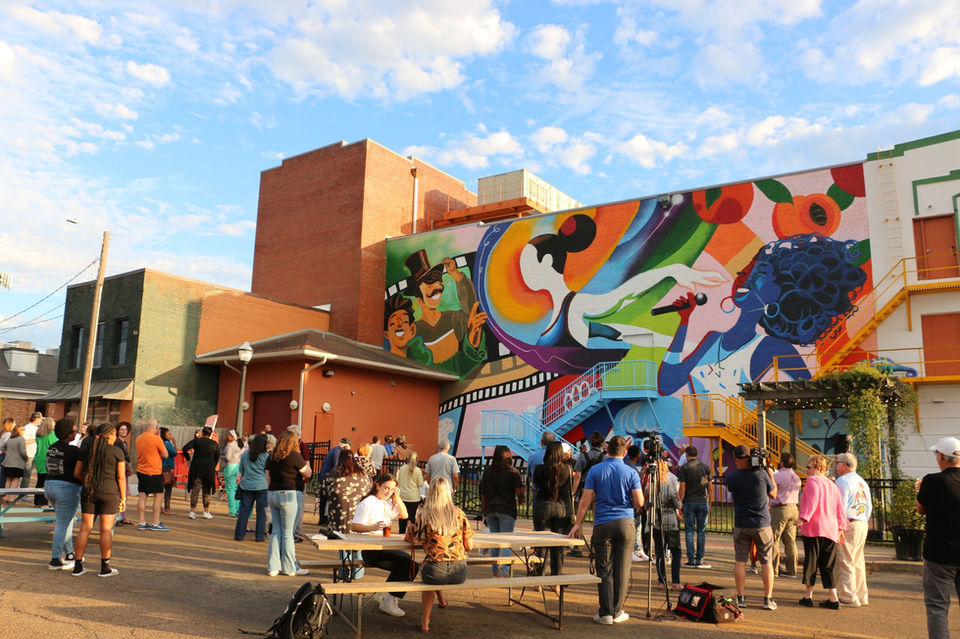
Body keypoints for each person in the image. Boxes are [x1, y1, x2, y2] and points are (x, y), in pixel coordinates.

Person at [658, 235, 867, 397]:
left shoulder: (774, 347)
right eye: (746, 273)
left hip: (745, 437)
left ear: (777, 294)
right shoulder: (713, 339)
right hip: (702, 438)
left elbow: (812, 390)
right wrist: (684, 321)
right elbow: (667, 385)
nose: (745, 280)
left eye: (757, 277)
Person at [569, 435, 643, 625]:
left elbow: (585, 499)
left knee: (603, 568)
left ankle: (606, 613)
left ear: (607, 450)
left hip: (602, 522)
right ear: (624, 453)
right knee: (622, 568)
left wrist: (577, 523)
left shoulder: (596, 470)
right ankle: (618, 611)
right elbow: (639, 501)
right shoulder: (631, 472)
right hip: (625, 522)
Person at [405, 477, 474, 633]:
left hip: (435, 571)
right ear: (448, 493)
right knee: (432, 565)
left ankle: (425, 621)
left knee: (429, 570)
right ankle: (442, 600)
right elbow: (469, 546)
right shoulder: (459, 514)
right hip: (459, 572)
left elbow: (426, 548)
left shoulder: (424, 515)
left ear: (431, 493)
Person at [351, 473, 416, 617]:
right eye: (386, 488)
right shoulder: (369, 502)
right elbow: (354, 526)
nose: (388, 492)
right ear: (378, 485)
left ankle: (387, 595)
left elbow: (404, 515)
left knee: (409, 564)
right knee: (410, 565)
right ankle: (388, 600)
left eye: (392, 489)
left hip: (384, 546)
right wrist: (372, 527)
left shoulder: (386, 502)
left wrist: (397, 496)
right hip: (371, 550)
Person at [916, 436, 960, 639]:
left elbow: (920, 510)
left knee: (937, 607)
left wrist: (919, 490)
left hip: (940, 554)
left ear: (942, 456)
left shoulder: (933, 481)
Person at [725, 445, 778, 610]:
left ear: (735, 458)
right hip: (762, 524)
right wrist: (769, 473)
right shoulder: (762, 474)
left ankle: (741, 598)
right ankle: (768, 599)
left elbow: (732, 488)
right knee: (766, 562)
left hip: (741, 524)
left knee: (740, 561)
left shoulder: (731, 477)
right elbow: (773, 494)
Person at [72, 423, 125, 577]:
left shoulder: (87, 450)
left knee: (85, 528)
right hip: (109, 492)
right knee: (106, 530)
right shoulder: (116, 451)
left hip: (89, 491)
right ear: (110, 435)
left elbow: (77, 473)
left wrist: (89, 481)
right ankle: (104, 567)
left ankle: (78, 566)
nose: (115, 438)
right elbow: (121, 477)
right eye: (114, 434)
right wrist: (123, 497)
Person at [797, 454, 846, 609]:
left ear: (817, 468)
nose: (806, 470)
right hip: (830, 528)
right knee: (828, 564)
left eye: (809, 467)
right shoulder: (832, 485)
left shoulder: (812, 481)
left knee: (811, 562)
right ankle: (833, 597)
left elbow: (813, 501)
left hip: (814, 527)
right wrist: (840, 527)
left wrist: (803, 518)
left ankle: (808, 596)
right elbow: (840, 508)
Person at [265, 430, 311, 576]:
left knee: (276, 531)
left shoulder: (272, 456)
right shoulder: (294, 455)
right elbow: (307, 473)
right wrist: (307, 464)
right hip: (289, 494)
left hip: (273, 493)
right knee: (288, 533)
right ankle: (290, 567)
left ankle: (273, 567)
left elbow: (267, 477)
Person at [834, 452, 872, 607]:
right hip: (861, 521)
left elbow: (840, 506)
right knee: (857, 561)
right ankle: (861, 595)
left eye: (837, 463)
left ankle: (847, 596)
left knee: (845, 560)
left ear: (844, 465)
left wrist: (839, 527)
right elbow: (869, 506)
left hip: (849, 523)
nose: (836, 466)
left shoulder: (842, 481)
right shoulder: (862, 481)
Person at [43, 417, 81, 570]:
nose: (76, 433)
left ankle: (69, 553)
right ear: (68, 434)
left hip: (49, 485)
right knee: (62, 524)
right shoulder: (73, 450)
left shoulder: (52, 447)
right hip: (66, 488)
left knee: (66, 521)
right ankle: (55, 559)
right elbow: (80, 469)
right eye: (74, 431)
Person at [531, 441, 572, 578]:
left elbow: (536, 486)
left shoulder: (539, 469)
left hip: (543, 507)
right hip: (561, 508)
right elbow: (569, 490)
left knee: (541, 546)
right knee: (558, 547)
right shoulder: (567, 469)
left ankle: (538, 579)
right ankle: (557, 581)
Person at [481, 445, 522, 577]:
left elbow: (483, 494)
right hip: (507, 509)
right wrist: (521, 499)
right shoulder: (513, 472)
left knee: (495, 541)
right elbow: (519, 492)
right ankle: (504, 571)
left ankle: (495, 571)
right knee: (506, 542)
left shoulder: (488, 471)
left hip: (491, 508)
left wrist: (483, 512)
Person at [647, 458, 682, 589]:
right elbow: (679, 505)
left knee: (660, 553)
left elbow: (646, 505)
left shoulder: (649, 488)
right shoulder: (670, 489)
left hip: (657, 522)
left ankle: (661, 581)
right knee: (676, 552)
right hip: (671, 523)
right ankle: (676, 582)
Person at [677, 445, 711, 568]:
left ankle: (691, 559)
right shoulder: (705, 467)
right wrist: (710, 502)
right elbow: (710, 487)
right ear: (697, 454)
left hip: (689, 502)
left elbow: (682, 487)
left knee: (689, 531)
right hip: (702, 501)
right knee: (701, 531)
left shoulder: (685, 468)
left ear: (686, 455)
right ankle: (700, 559)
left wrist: (680, 503)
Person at [769, 451, 801, 578]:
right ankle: (792, 570)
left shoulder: (777, 476)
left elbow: (770, 489)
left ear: (782, 462)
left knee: (774, 539)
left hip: (780, 508)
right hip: (793, 508)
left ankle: (773, 570)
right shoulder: (796, 476)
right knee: (790, 541)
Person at [134, 418, 169, 531]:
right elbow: (165, 454)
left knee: (142, 495)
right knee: (158, 496)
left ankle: (141, 522)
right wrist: (159, 439)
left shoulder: (138, 438)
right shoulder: (156, 439)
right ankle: (155, 522)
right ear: (157, 428)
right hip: (154, 471)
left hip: (141, 470)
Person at [235, 433, 270, 542]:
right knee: (261, 513)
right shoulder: (266, 456)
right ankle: (259, 536)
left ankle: (239, 535)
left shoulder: (246, 453)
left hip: (247, 485)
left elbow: (241, 470)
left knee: (244, 511)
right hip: (261, 486)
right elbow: (267, 472)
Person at [182, 426, 219, 519]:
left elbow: (184, 448)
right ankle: (206, 511)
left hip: (196, 467)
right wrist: (212, 464)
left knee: (195, 489)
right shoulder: (214, 444)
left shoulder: (196, 441)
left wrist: (188, 458)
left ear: (202, 433)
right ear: (211, 434)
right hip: (208, 468)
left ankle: (192, 511)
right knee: (207, 490)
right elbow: (217, 456)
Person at [397, 451, 424, 534]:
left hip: (402, 496)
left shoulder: (402, 468)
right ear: (417, 460)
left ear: (407, 459)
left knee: (402, 516)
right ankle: (411, 534)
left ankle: (401, 532)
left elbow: (398, 481)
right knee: (412, 516)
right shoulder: (418, 470)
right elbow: (420, 484)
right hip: (414, 497)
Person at [33, 417, 57, 506]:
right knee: (46, 482)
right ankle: (43, 503)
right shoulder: (52, 434)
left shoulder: (39, 434)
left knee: (40, 481)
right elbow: (56, 444)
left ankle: (37, 502)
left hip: (39, 458)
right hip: (48, 459)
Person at [1, 423, 27, 501]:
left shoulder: (10, 439)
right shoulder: (21, 439)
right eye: (23, 430)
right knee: (16, 480)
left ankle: (6, 496)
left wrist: (6, 452)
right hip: (17, 463)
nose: (24, 431)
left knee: (8, 480)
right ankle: (12, 497)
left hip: (8, 462)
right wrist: (26, 457)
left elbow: (2, 446)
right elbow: (23, 452)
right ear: (20, 431)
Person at [113, 421, 133, 525]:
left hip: (125, 470)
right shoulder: (117, 442)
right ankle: (117, 517)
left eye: (125, 429)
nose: (124, 431)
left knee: (125, 492)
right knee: (121, 493)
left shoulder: (124, 443)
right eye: (122, 429)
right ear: (118, 431)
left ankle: (122, 516)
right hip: (120, 470)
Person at [221, 429, 242, 517]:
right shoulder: (240, 445)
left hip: (230, 468)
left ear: (233, 437)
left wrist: (222, 456)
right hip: (238, 467)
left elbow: (228, 458)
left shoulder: (229, 446)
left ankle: (232, 511)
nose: (227, 436)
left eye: (229, 435)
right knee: (237, 489)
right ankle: (237, 510)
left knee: (230, 490)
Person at [20, 411, 41, 489]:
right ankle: (22, 493)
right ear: (35, 419)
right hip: (29, 454)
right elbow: (24, 441)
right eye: (40, 419)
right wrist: (35, 439)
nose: (41, 420)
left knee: (30, 475)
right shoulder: (28, 427)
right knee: (27, 475)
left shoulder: (37, 428)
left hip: (35, 454)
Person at [159, 427, 177, 514]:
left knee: (160, 488)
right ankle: (167, 509)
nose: (170, 436)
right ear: (164, 435)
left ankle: (159, 507)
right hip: (166, 467)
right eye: (169, 434)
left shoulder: (159, 442)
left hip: (159, 466)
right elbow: (174, 453)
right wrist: (175, 444)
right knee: (168, 488)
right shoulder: (167, 443)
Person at [0, 417, 15, 486]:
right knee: (3, 475)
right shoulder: (8, 434)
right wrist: (6, 451)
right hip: (4, 455)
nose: (15, 425)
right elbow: (4, 445)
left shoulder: (3, 433)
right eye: (14, 423)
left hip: (2, 454)